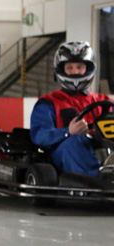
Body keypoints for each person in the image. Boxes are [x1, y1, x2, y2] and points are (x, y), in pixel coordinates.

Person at [30, 41, 111, 176]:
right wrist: (67, 132)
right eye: (69, 67)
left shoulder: (104, 101)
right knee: (75, 141)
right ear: (61, 70)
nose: (75, 72)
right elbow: (39, 135)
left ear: (88, 69)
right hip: (65, 153)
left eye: (80, 67)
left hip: (101, 150)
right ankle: (98, 179)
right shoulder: (48, 102)